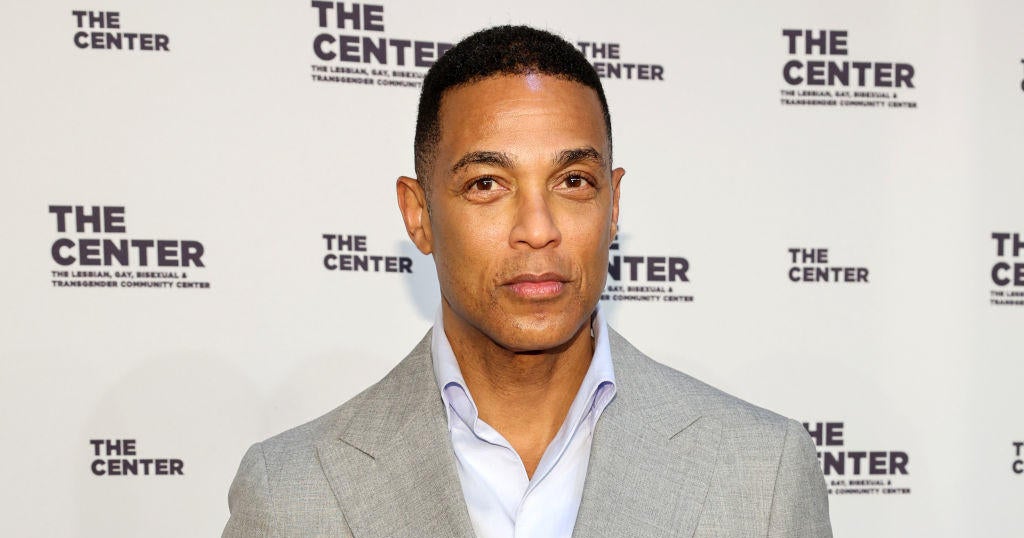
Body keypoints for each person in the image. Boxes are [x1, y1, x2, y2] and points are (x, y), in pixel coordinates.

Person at [223, 25, 832, 538]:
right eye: (487, 184)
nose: (538, 230)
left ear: (613, 205)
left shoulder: (763, 474)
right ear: (418, 215)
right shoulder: (290, 493)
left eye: (573, 182)